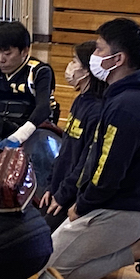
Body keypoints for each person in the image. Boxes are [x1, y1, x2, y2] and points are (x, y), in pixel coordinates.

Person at [47, 18, 140, 279]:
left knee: (44, 271)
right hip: (111, 204)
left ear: (119, 58)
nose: (94, 56)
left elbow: (108, 170)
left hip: (121, 209)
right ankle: (135, 247)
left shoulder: (128, 105)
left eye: (100, 50)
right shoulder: (120, 97)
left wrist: (82, 206)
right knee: (49, 269)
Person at [38, 41, 106, 231]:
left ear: (87, 70)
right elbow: (65, 152)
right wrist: (51, 185)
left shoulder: (97, 110)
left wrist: (64, 194)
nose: (70, 66)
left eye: (75, 61)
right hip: (58, 189)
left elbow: (85, 162)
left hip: (72, 196)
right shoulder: (79, 101)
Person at [0, 20, 58, 151]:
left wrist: (19, 136)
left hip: (31, 128)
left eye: (7, 54)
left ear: (24, 51)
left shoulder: (40, 71)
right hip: (2, 126)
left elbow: (43, 108)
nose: (1, 59)